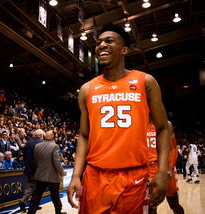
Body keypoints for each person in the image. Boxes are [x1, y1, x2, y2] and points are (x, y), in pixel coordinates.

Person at [67, 23, 170, 213]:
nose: (102, 45)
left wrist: (162, 172)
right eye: (99, 43)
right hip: (95, 175)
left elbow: (163, 128)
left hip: (134, 176)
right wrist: (75, 175)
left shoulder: (145, 82)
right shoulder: (86, 89)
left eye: (109, 41)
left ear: (124, 50)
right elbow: (84, 135)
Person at [148, 121, 184, 214]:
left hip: (166, 166)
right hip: (149, 169)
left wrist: (171, 168)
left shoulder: (166, 124)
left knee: (174, 203)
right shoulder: (138, 124)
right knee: (151, 206)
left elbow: (173, 148)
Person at [27, 131, 66, 214]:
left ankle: (30, 213)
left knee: (36, 196)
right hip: (52, 176)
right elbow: (56, 161)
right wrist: (62, 172)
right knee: (55, 196)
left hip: (40, 175)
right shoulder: (55, 146)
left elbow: (36, 160)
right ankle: (58, 212)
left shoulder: (37, 146)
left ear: (44, 137)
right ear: (53, 138)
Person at [19, 129, 44, 212]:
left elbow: (24, 155)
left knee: (30, 186)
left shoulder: (28, 142)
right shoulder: (42, 143)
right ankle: (35, 204)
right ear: (41, 135)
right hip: (38, 168)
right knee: (39, 188)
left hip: (29, 168)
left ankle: (23, 201)